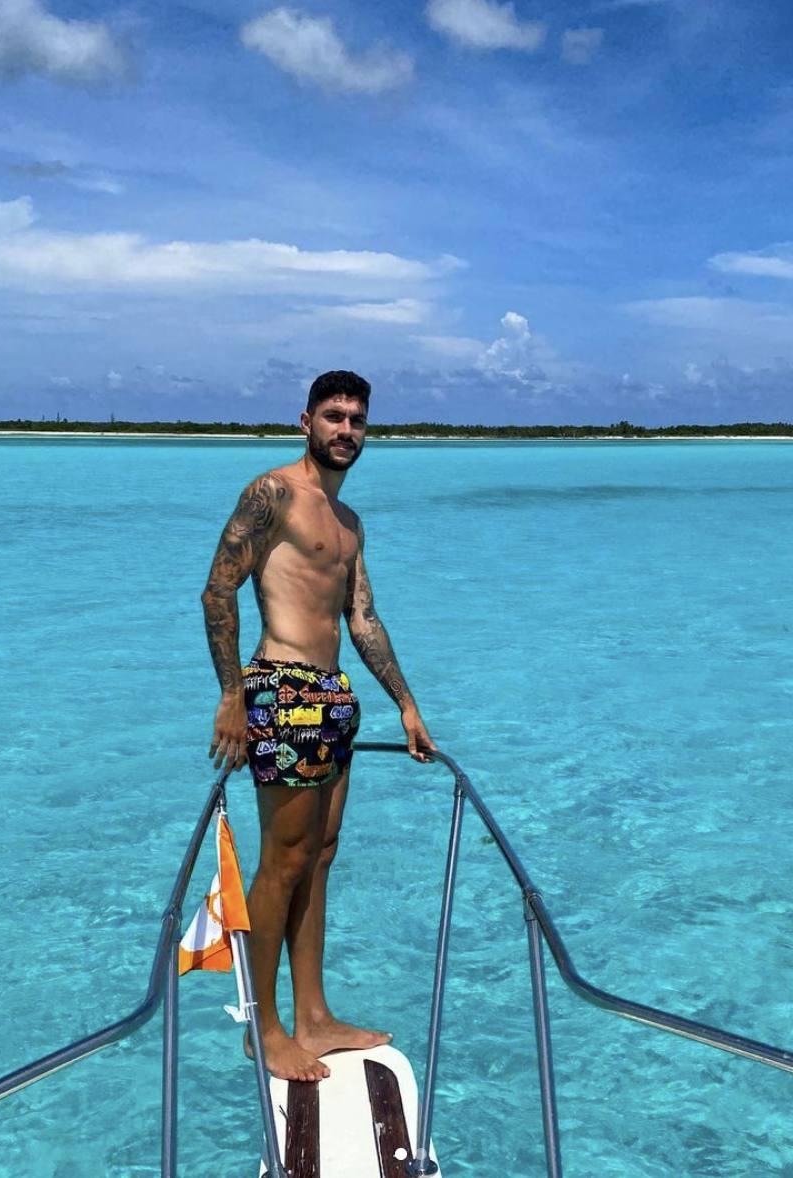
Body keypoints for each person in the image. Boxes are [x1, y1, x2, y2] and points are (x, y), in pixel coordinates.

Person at [201, 369, 435, 1082]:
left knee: (320, 855)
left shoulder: (349, 523)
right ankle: (264, 1028)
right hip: (282, 690)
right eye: (334, 416)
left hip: (331, 697)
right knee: (284, 861)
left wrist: (404, 701)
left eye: (358, 420)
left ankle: (315, 1014)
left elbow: (360, 616)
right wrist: (233, 694)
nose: (347, 430)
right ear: (305, 421)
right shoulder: (271, 494)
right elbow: (218, 586)